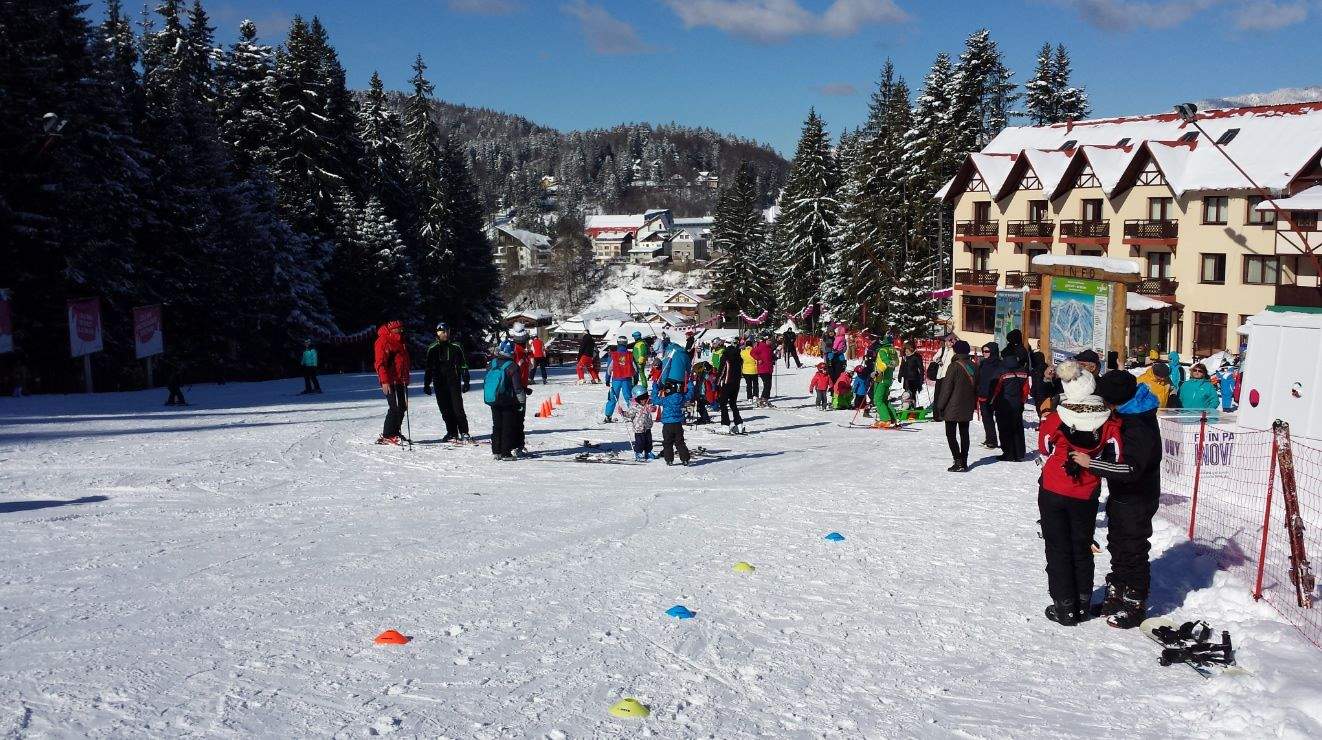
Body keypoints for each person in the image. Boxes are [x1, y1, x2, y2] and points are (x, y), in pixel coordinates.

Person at [1072, 371, 1163, 629]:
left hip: (1138, 496)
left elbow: (1132, 469)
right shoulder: (1125, 415)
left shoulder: (1139, 424)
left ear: (1116, 400)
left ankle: (1135, 602)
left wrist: (1093, 465)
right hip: (1121, 496)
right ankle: (1117, 594)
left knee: (1133, 548)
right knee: (1117, 544)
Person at [1037, 361, 1122, 626]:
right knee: (1082, 546)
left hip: (1053, 487)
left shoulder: (1056, 417)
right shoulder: (1109, 420)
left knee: (1057, 547)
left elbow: (1043, 448)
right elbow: (1117, 454)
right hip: (1086, 490)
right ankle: (1083, 602)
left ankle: (1064, 606)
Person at [423, 322, 472, 442]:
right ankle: (451, 432)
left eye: (447, 331)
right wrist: (426, 384)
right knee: (445, 409)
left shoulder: (456, 346)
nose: (445, 334)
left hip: (453, 381)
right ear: (438, 333)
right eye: (442, 332)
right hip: (439, 382)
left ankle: (464, 432)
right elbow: (428, 368)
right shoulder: (433, 348)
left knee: (457, 408)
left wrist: (466, 380)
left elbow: (464, 364)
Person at [935, 341, 976, 472]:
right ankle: (964, 460)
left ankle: (957, 460)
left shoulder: (954, 366)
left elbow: (947, 388)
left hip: (952, 406)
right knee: (965, 433)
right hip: (967, 404)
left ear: (956, 351)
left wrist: (940, 405)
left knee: (951, 434)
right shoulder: (974, 366)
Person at [483, 346, 525, 460]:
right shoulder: (512, 366)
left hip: (493, 398)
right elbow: (517, 387)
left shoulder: (492, 363)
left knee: (497, 425)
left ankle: (496, 451)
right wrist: (521, 402)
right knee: (507, 426)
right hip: (507, 400)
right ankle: (506, 452)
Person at [373, 320, 411, 445]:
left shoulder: (401, 341)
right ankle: (387, 435)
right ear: (392, 329)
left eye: (402, 328)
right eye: (398, 328)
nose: (401, 330)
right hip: (389, 380)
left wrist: (406, 377)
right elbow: (380, 363)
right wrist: (384, 381)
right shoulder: (383, 340)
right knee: (394, 407)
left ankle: (395, 431)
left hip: (400, 379)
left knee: (402, 407)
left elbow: (403, 362)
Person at [991, 354, 1030, 461]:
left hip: (1004, 403)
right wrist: (1022, 401)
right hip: (1017, 403)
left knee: (1004, 429)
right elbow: (1026, 390)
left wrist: (993, 402)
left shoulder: (1001, 371)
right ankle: (1019, 453)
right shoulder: (1023, 372)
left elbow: (996, 389)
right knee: (1017, 428)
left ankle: (1008, 453)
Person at [655, 380, 696, 465]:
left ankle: (669, 459)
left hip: (667, 425)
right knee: (680, 442)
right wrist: (690, 385)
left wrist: (655, 387)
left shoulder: (665, 400)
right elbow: (690, 395)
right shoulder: (681, 398)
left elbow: (655, 399)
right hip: (678, 424)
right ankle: (685, 459)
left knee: (667, 443)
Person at [975, 342, 1002, 449]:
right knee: (986, 418)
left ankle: (998, 441)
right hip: (983, 394)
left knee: (999, 419)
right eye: (983, 351)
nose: (984, 353)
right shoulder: (983, 363)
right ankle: (990, 439)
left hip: (995, 395)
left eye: (987, 351)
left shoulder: (999, 364)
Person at [602, 335, 636, 422]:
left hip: (616, 379)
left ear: (618, 343)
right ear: (626, 343)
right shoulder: (630, 355)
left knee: (612, 397)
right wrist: (635, 378)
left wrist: (607, 379)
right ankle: (633, 415)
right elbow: (635, 368)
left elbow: (609, 368)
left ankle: (608, 416)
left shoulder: (614, 355)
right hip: (627, 380)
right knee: (629, 398)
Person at [715, 338, 745, 432]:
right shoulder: (739, 356)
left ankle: (725, 425)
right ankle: (739, 424)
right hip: (736, 383)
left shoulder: (726, 356)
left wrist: (717, 382)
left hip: (726, 383)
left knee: (723, 403)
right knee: (733, 403)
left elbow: (722, 371)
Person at [619, 386, 655, 461]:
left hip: (647, 427)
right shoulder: (634, 407)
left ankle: (648, 452)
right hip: (639, 428)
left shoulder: (649, 404)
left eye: (645, 398)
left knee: (648, 441)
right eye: (641, 399)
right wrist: (622, 412)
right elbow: (629, 414)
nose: (644, 401)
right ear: (637, 399)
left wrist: (652, 408)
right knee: (640, 442)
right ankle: (638, 453)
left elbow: (654, 408)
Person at [871, 336, 900, 426]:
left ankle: (885, 419)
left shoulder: (882, 351)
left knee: (878, 400)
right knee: (884, 400)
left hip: (881, 378)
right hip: (888, 378)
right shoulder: (893, 351)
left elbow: (884, 363)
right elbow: (896, 362)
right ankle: (894, 419)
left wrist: (877, 372)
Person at [899, 342, 925, 410]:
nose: (906, 352)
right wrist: (900, 375)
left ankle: (913, 407)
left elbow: (921, 368)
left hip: (914, 378)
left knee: (912, 393)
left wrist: (922, 378)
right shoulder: (905, 357)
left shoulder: (916, 357)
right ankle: (907, 406)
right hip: (906, 378)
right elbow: (902, 366)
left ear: (911, 350)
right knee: (906, 393)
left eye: (907, 351)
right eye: (905, 351)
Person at [690, 360, 715, 425]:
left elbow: (709, 379)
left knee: (701, 406)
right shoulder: (701, 374)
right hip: (701, 392)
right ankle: (705, 418)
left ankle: (705, 419)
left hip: (702, 392)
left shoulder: (704, 374)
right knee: (700, 406)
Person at [752, 334, 775, 407]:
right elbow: (752, 352)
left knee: (769, 385)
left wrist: (774, 358)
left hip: (769, 369)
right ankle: (762, 399)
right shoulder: (761, 346)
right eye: (769, 340)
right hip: (762, 369)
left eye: (771, 340)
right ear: (765, 340)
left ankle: (765, 399)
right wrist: (758, 359)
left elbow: (769, 356)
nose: (770, 341)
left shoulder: (769, 347)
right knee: (767, 384)